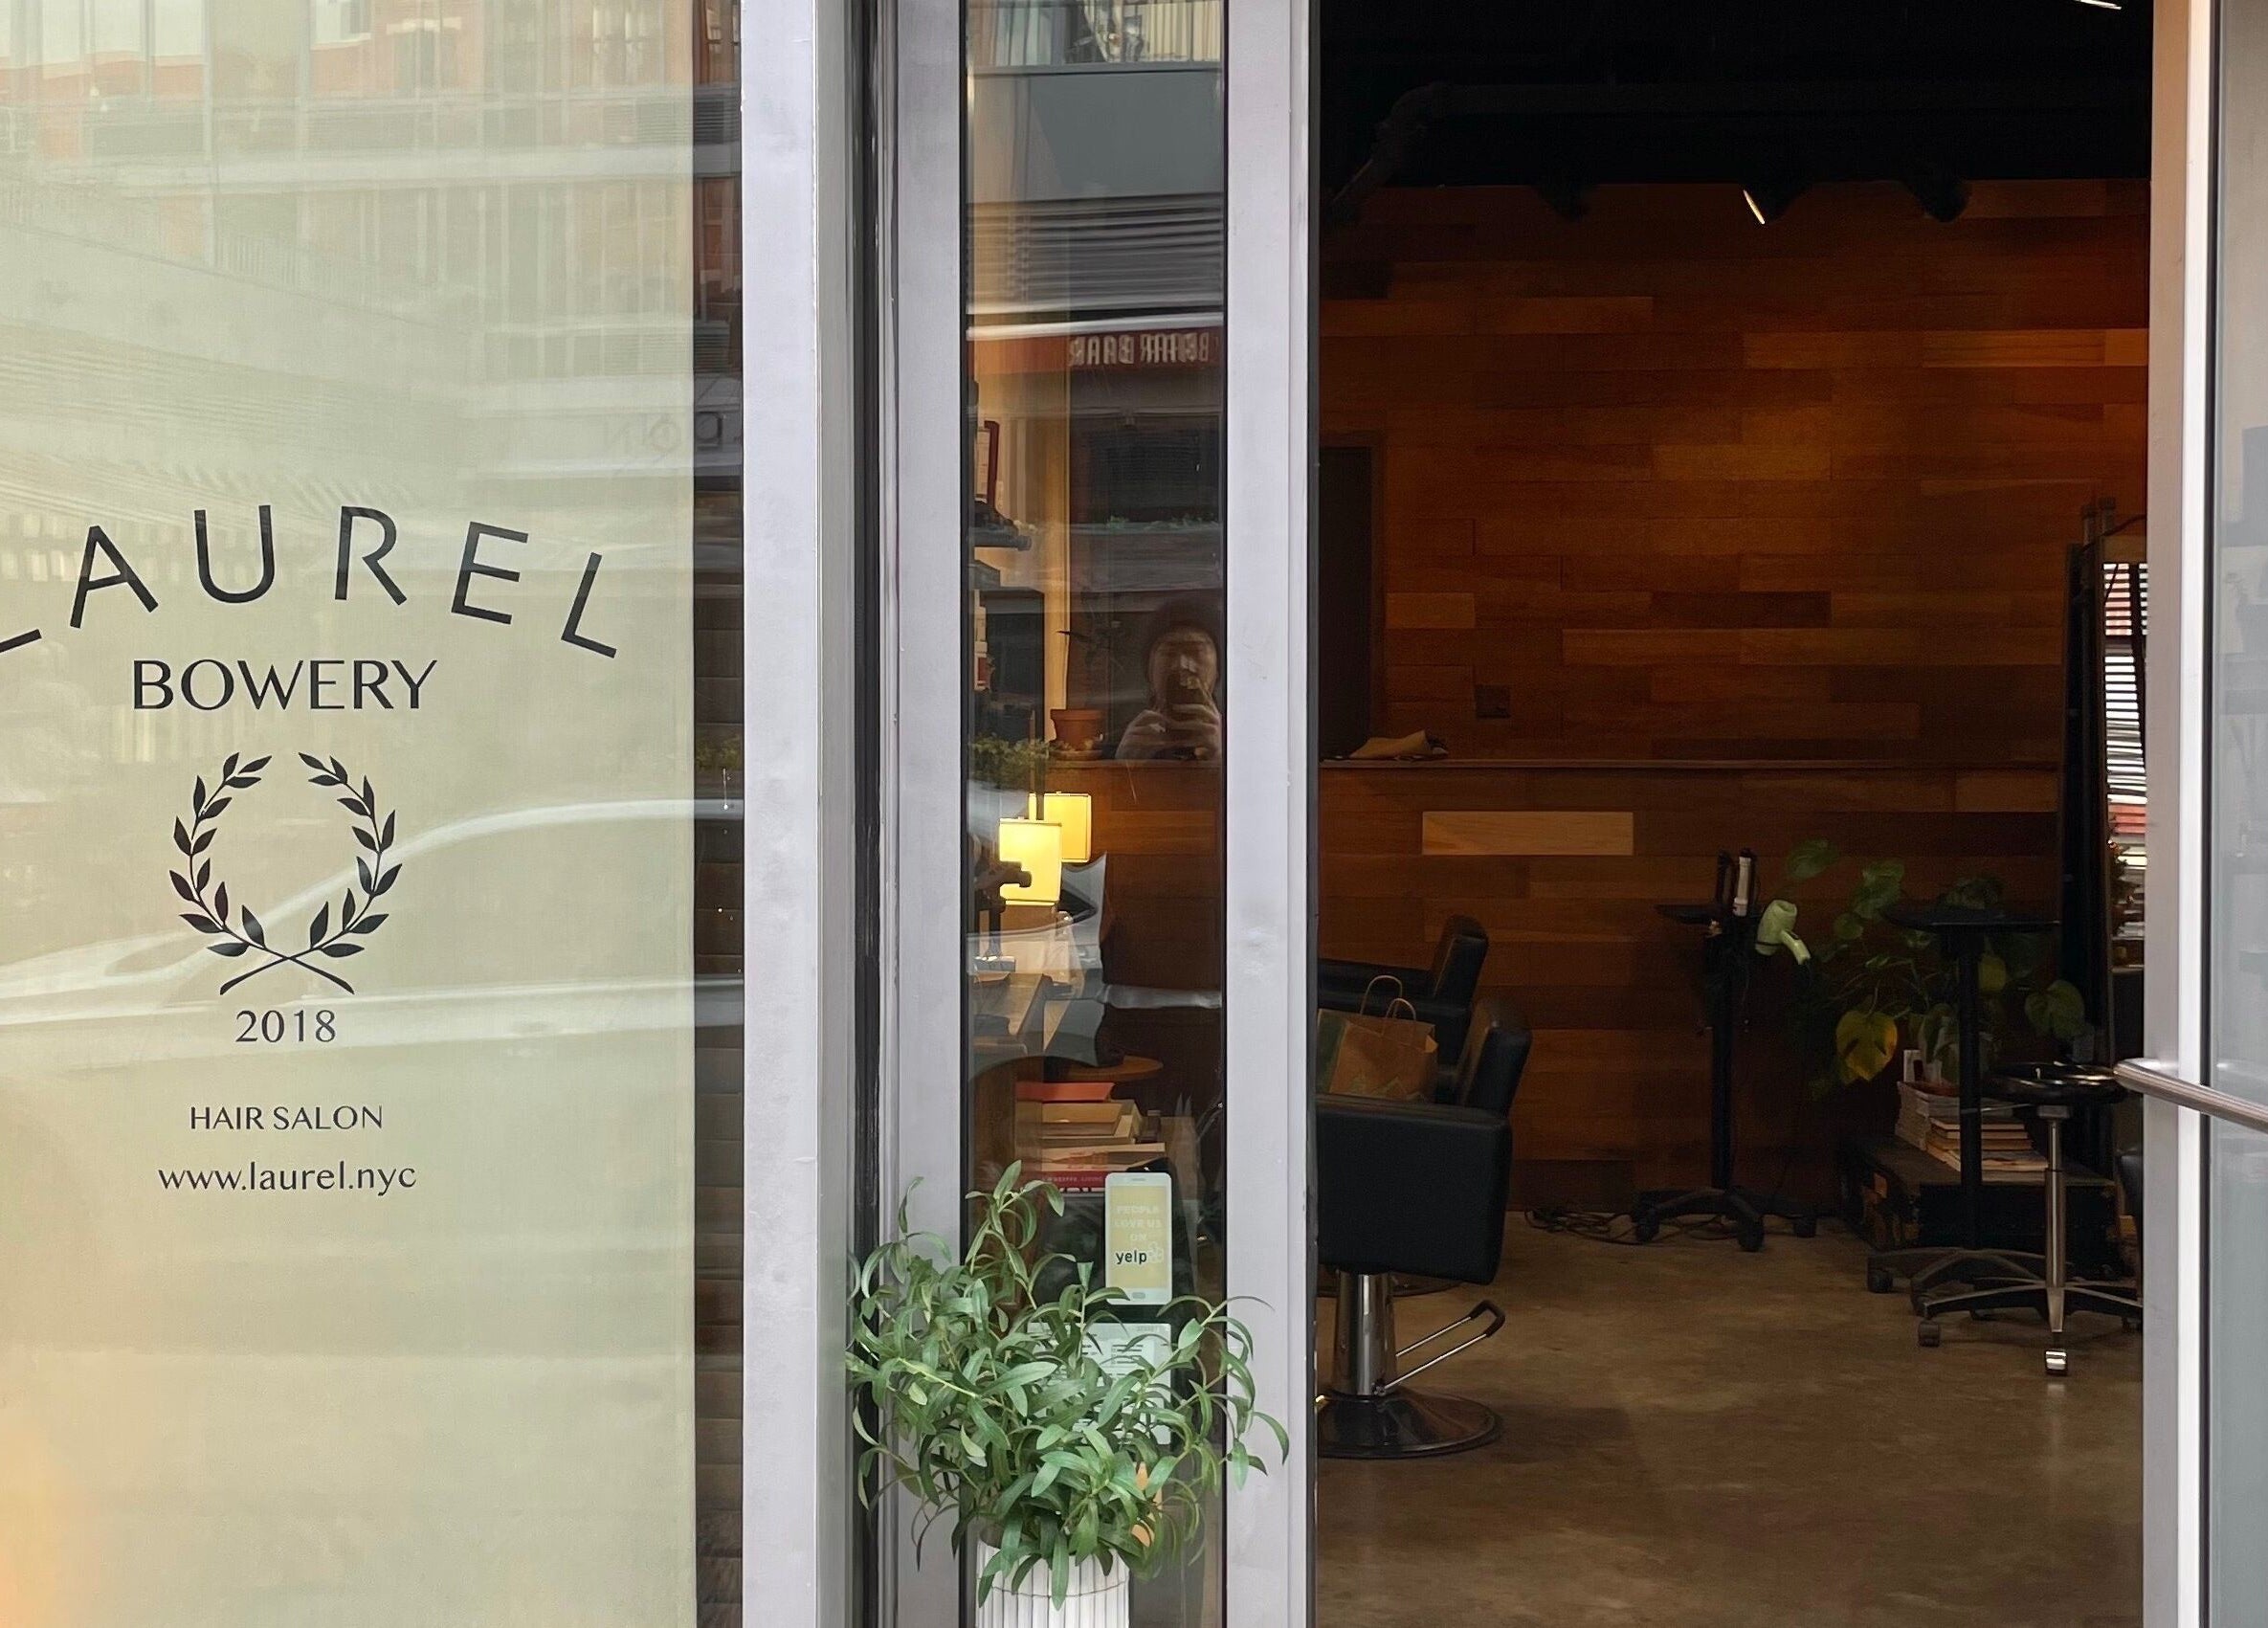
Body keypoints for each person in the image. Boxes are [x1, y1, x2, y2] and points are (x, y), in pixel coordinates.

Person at [1116, 610, 1221, 762]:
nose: (1182, 665)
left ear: (1217, 670)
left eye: (1196, 652)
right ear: (1149, 671)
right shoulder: (1124, 739)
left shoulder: (1244, 740)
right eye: (1169, 653)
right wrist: (1123, 765)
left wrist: (1221, 758)